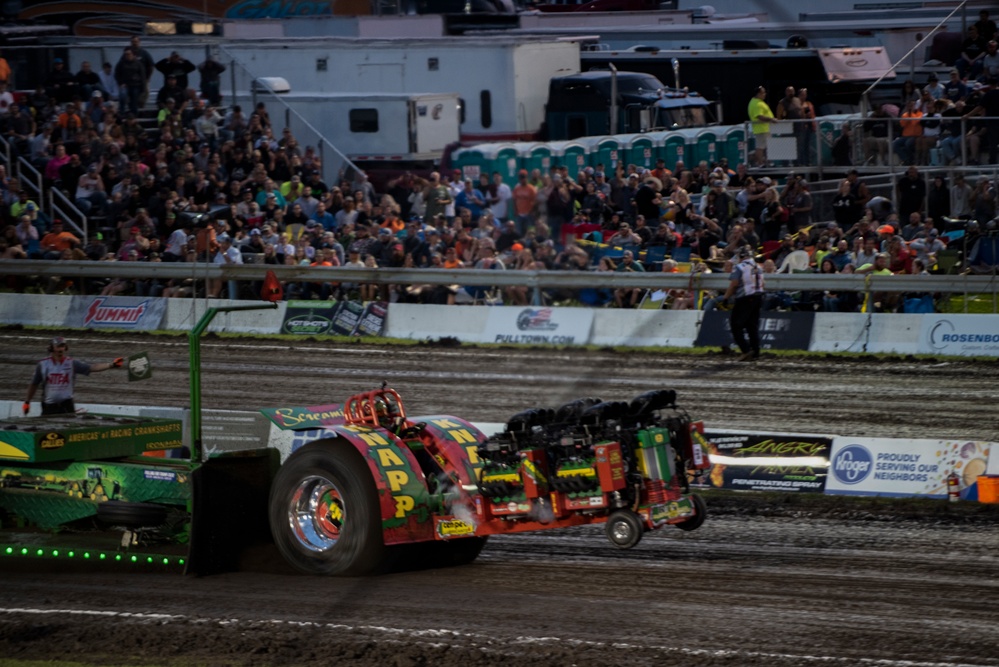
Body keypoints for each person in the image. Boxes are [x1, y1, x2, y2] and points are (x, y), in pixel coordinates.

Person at [24, 337, 124, 416]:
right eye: (58, 346)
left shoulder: (71, 363)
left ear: (65, 348)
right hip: (49, 406)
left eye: (62, 346)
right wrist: (27, 402)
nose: (60, 349)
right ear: (52, 348)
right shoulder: (43, 365)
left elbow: (91, 367)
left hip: (67, 405)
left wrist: (111, 365)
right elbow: (34, 384)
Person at [723, 245, 765, 362]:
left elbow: (734, 284)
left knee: (736, 325)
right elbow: (763, 283)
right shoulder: (758, 266)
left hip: (745, 298)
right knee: (752, 326)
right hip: (758, 297)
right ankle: (756, 352)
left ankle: (746, 350)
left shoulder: (740, 267)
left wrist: (726, 298)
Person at [748, 86, 776, 167]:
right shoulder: (757, 103)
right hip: (761, 129)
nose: (765, 94)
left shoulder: (758, 102)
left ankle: (767, 162)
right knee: (760, 147)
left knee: (767, 146)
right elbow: (759, 116)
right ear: (758, 93)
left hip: (765, 129)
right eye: (763, 93)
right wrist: (771, 119)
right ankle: (760, 163)